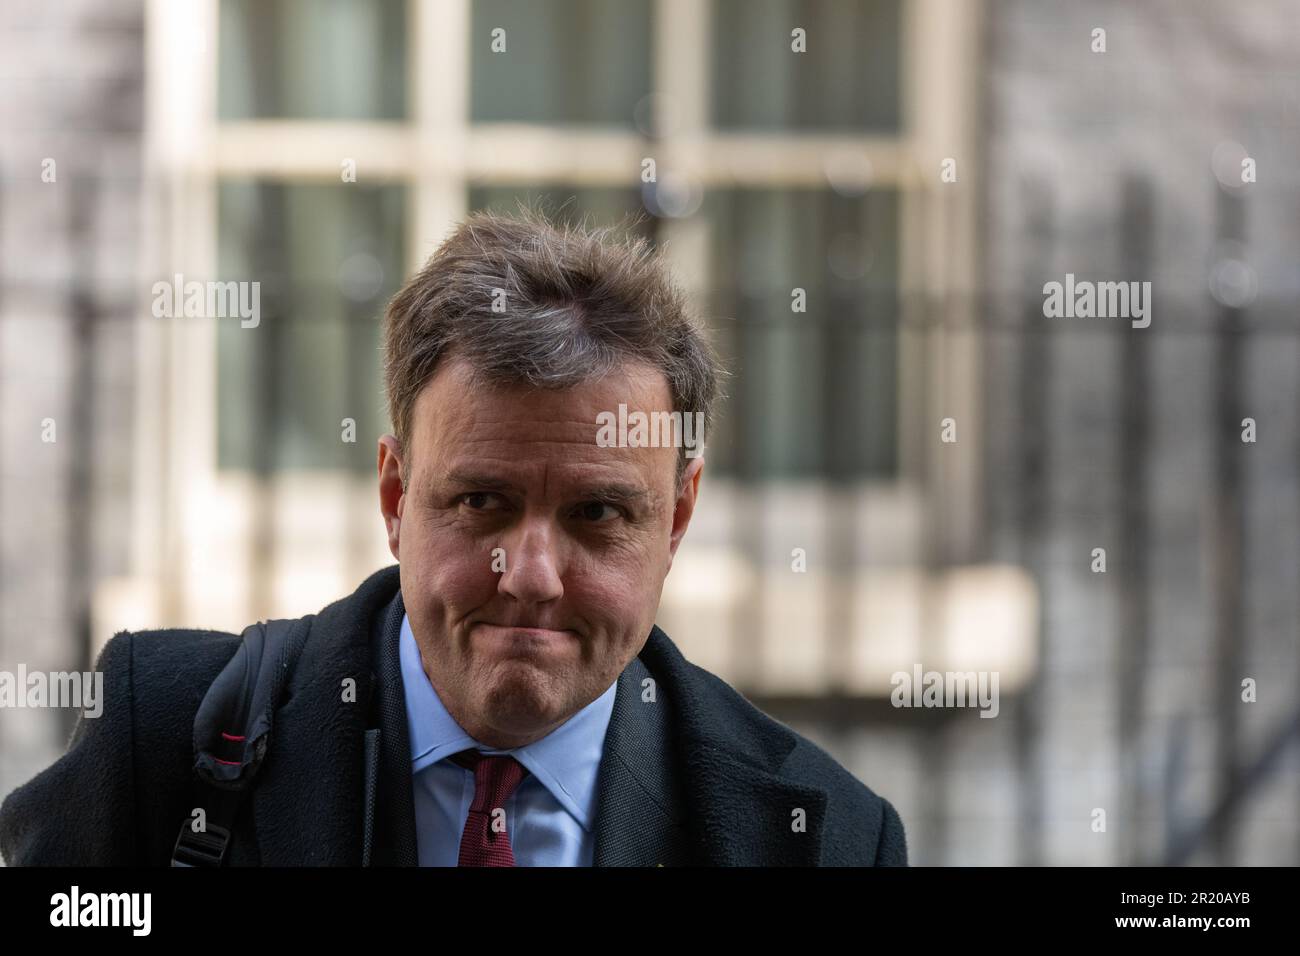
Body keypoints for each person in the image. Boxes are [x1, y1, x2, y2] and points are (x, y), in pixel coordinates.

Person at [0, 207, 907, 866]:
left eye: (597, 514)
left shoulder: (823, 836)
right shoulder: (162, 737)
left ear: (676, 518)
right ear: (396, 496)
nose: (533, 576)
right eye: (481, 502)